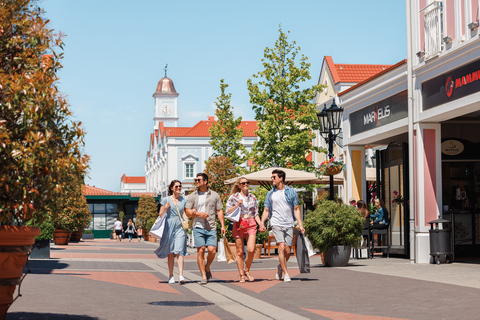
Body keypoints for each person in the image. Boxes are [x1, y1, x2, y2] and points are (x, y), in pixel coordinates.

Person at [259, 169, 304, 283]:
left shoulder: (291, 192)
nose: (272, 179)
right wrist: (261, 222)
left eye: (274, 177)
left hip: (289, 224)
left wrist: (300, 224)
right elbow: (266, 210)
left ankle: (280, 267)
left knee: (288, 251)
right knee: (281, 247)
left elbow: (296, 209)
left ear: (281, 178)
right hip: (276, 223)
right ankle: (286, 273)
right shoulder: (270, 193)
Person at [185, 173, 225, 285]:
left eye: (199, 180)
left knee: (212, 251)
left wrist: (222, 225)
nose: (197, 181)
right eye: (196, 180)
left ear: (205, 181)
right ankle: (203, 275)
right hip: (198, 226)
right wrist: (198, 213)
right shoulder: (193, 196)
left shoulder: (214, 195)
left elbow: (219, 210)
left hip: (211, 226)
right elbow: (187, 211)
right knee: (201, 249)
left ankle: (207, 267)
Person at [225, 177, 262, 283]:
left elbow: (256, 213)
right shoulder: (234, 197)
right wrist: (237, 204)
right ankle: (241, 275)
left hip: (250, 222)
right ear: (239, 185)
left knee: (251, 250)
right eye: (243, 183)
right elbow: (227, 211)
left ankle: (247, 270)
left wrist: (260, 224)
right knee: (240, 251)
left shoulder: (253, 197)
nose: (246, 184)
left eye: (247, 183)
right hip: (239, 222)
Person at [154, 180, 188, 284]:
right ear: (172, 188)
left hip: (179, 227)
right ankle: (171, 276)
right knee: (171, 252)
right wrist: (166, 208)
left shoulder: (184, 200)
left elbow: (184, 214)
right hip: (168, 226)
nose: (179, 188)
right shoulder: (165, 200)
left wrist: (186, 223)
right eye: (176, 186)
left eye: (180, 186)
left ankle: (181, 276)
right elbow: (160, 214)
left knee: (180, 251)